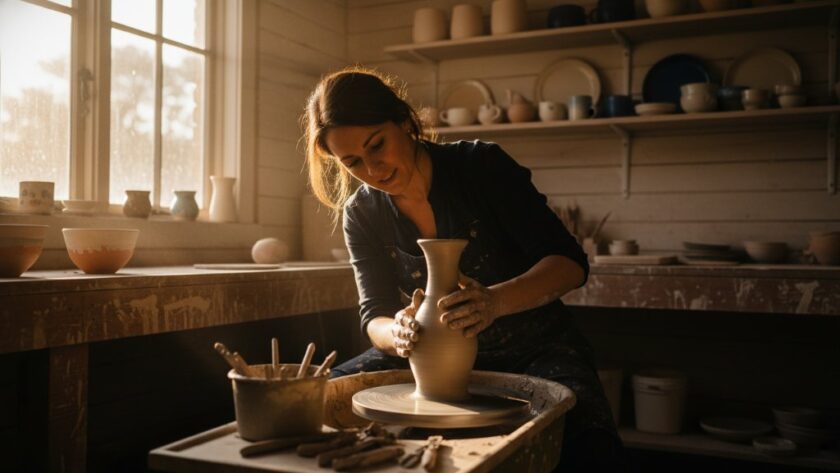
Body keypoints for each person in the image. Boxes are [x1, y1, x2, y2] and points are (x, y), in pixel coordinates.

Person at [303, 67, 625, 471]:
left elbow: (569, 264)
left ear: (404, 122)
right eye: (352, 162)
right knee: (316, 403)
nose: (373, 170)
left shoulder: (481, 167)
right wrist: (398, 334)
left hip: (534, 348)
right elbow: (374, 316)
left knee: (585, 436)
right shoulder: (362, 212)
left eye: (377, 145)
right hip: (426, 358)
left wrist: (494, 301)